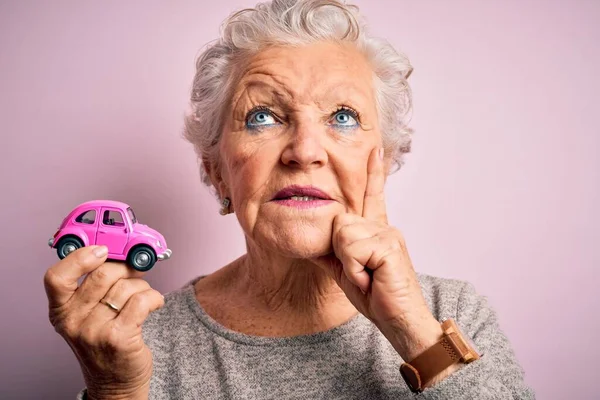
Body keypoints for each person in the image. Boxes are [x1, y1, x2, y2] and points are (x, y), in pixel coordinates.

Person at [43, 0, 535, 398]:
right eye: (262, 117)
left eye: (342, 116)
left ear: (382, 162)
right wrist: (117, 390)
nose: (304, 152)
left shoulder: (453, 315)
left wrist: (413, 330)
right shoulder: (142, 340)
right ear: (216, 172)